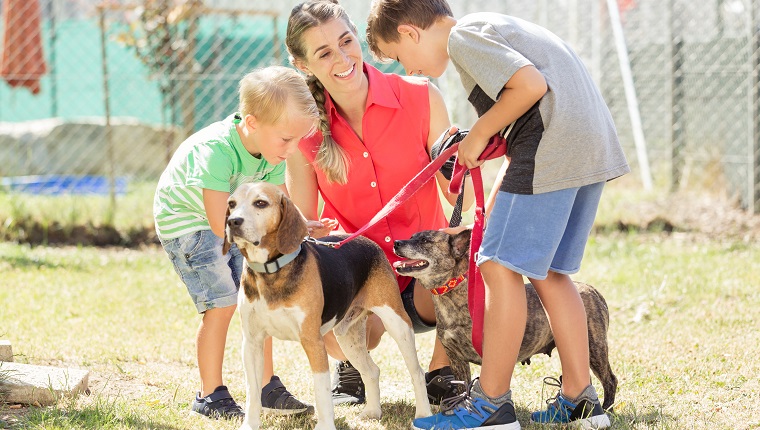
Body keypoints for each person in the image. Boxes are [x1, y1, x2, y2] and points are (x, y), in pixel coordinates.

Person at [366, 1, 630, 429]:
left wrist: (483, 132)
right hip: (589, 146)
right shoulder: (496, 25)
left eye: (399, 56)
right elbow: (530, 101)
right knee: (551, 272)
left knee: (495, 265)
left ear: (411, 33)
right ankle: (580, 397)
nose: (408, 69)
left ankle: (491, 406)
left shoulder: (463, 36)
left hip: (552, 146)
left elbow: (530, 86)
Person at [284, 0, 474, 407]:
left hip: (426, 274)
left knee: (475, 259)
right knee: (317, 308)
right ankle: (352, 367)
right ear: (303, 65)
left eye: (346, 41)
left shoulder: (421, 96)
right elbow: (304, 227)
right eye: (323, 53)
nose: (342, 57)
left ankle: (445, 368)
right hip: (357, 278)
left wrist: (454, 174)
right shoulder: (303, 133)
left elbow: (460, 199)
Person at [153, 66, 320, 420]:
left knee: (261, 294)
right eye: (286, 139)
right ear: (253, 122)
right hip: (188, 221)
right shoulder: (218, 152)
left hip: (233, 221)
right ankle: (209, 394)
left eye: (297, 141)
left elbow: (279, 207)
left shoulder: (272, 155)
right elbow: (219, 224)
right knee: (223, 303)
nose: (292, 150)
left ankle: (265, 386)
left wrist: (302, 227)